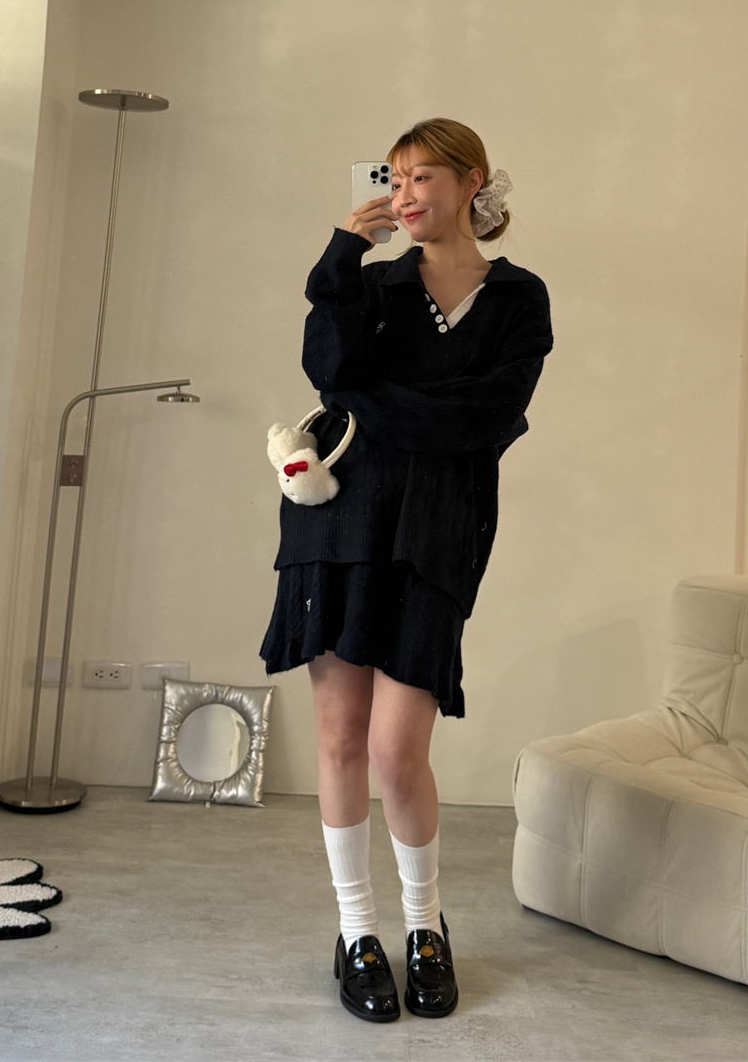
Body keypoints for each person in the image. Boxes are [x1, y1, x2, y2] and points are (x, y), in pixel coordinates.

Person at [260, 117, 553, 1023]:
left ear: (472, 181)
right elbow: (330, 371)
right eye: (395, 177)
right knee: (343, 739)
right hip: (340, 519)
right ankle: (357, 930)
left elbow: (490, 418)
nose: (406, 192)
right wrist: (345, 252)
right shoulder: (375, 282)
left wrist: (375, 406)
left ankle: (425, 923)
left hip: (439, 529)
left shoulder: (520, 297)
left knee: (397, 748)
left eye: (425, 175)